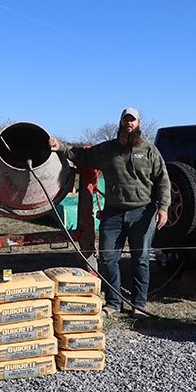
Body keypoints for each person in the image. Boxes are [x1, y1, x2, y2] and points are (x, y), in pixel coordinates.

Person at [50, 107, 170, 315]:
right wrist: (60, 146)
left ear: (138, 123)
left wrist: (164, 207)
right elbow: (83, 156)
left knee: (140, 259)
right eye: (125, 120)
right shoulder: (108, 150)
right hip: (113, 213)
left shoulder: (150, 151)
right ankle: (114, 303)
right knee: (107, 258)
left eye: (132, 120)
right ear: (121, 122)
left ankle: (138, 305)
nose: (129, 124)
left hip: (143, 213)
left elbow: (162, 180)